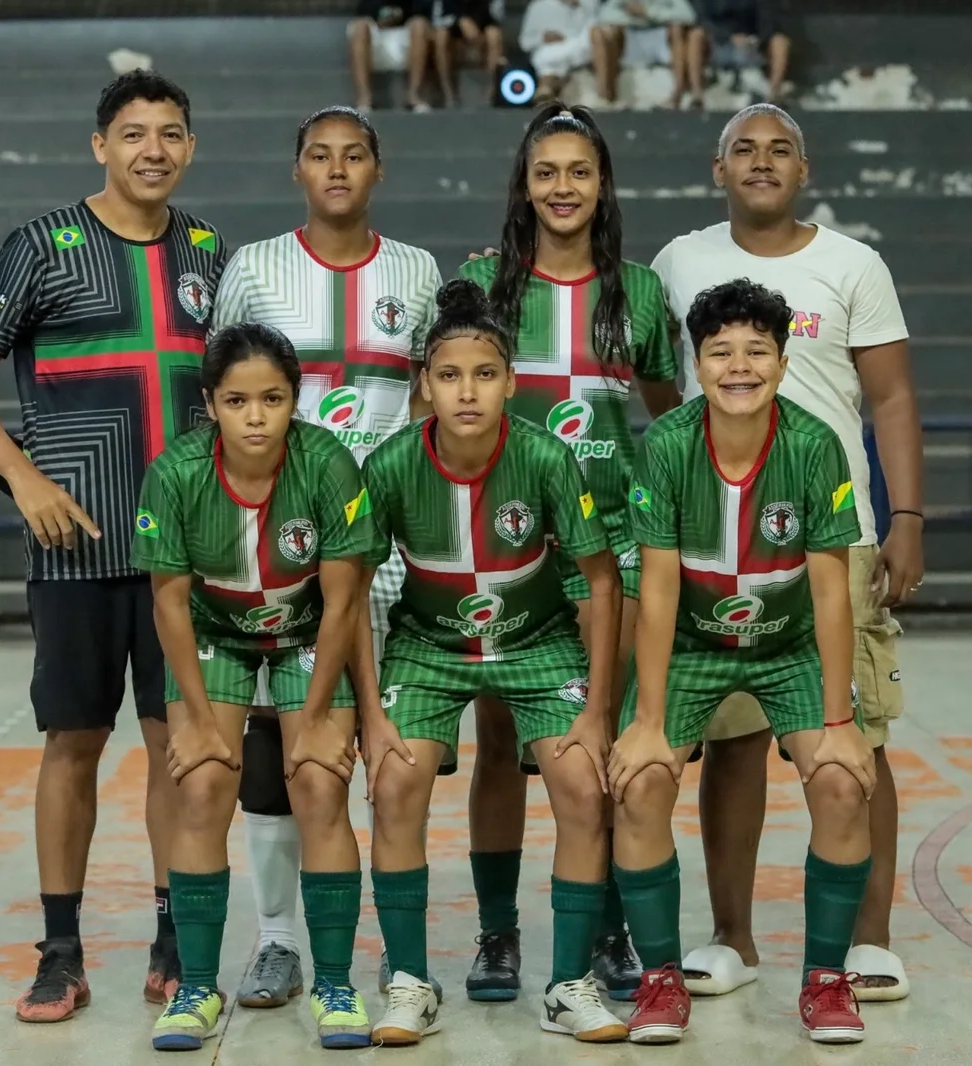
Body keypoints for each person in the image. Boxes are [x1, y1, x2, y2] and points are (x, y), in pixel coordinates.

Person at [0, 70, 226, 1024]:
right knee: (73, 742)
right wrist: (23, 479)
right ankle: (60, 951)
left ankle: (175, 939)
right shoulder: (42, 246)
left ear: (190, 148)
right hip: (77, 547)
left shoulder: (210, 252)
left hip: (182, 551)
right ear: (100, 146)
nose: (153, 149)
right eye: (134, 133)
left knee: (176, 745)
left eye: (170, 133)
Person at [650, 103, 923, 1004]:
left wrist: (908, 515)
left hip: (833, 538)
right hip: (718, 542)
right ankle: (731, 937)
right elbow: (659, 378)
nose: (761, 162)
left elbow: (891, 399)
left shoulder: (853, 264)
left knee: (855, 739)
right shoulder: (679, 262)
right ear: (717, 169)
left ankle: (868, 941)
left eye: (779, 150)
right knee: (732, 745)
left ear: (804, 170)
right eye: (744, 149)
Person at [209, 105, 444, 1011]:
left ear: (378, 169)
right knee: (284, 751)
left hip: (390, 557)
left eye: (354, 155)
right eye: (319, 155)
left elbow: (434, 399)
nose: (337, 169)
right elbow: (223, 394)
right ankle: (278, 941)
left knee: (389, 758)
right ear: (297, 170)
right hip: (281, 556)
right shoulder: (254, 268)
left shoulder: (416, 270)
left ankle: (395, 949)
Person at [356, 278, 627, 1045]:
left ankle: (569, 985)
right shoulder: (391, 465)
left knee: (582, 784)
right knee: (395, 781)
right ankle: (410, 982)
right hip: (430, 645)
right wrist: (370, 713)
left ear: (510, 382)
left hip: (537, 640)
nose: (467, 391)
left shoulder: (545, 457)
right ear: (425, 385)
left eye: (484, 374)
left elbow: (602, 581)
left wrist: (598, 710)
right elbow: (346, 593)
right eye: (449, 375)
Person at [456, 104, 681, 1005]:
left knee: (605, 742)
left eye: (578, 171)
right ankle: (498, 932)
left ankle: (608, 930)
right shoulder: (482, 282)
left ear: (602, 185)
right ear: (523, 185)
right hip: (508, 550)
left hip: (610, 552)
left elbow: (670, 414)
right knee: (499, 745)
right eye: (545, 171)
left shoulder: (641, 293)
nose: (562, 187)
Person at [609, 278, 874, 1044]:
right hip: (694, 642)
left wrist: (838, 720)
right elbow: (657, 590)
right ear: (695, 366)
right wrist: (648, 722)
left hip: (788, 643)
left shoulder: (813, 445)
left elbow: (831, 591)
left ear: (784, 364)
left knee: (841, 780)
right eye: (720, 352)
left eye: (757, 351)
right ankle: (660, 980)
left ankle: (825, 981)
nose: (739, 367)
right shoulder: (666, 446)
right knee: (641, 782)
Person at [132, 323, 374, 1052]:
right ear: (210, 403)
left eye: (273, 398)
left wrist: (323, 715)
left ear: (295, 400)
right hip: (217, 633)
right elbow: (169, 602)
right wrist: (199, 721)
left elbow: (344, 602)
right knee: (203, 783)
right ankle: (197, 988)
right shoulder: (175, 473)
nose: (256, 417)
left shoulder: (327, 464)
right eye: (237, 401)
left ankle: (335, 984)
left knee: (320, 783)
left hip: (306, 632)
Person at [591, 0, 697, 110]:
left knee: (677, 29)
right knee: (602, 32)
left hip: (661, 37)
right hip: (631, 37)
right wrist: (632, 15)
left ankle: (677, 95)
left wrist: (648, 13)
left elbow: (688, 15)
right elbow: (605, 15)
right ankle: (607, 96)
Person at [683, 0, 792, 105]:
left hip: (751, 45)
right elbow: (703, 19)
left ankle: (773, 94)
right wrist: (728, 37)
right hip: (719, 42)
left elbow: (768, 20)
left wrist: (756, 39)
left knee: (780, 41)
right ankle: (697, 94)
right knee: (696, 35)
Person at [349, 1, 435, 112]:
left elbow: (421, 10)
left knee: (420, 24)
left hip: (405, 32)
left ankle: (414, 95)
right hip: (376, 34)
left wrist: (397, 18)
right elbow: (363, 10)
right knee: (359, 26)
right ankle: (364, 98)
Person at [520, 0, 601, 104]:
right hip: (551, 54)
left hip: (581, 55)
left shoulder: (589, 4)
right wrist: (543, 37)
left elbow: (591, 39)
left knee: (548, 65)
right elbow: (525, 43)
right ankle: (547, 90)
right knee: (545, 60)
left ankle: (546, 88)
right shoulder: (538, 6)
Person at [432, 1, 506, 106]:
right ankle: (448, 92)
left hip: (482, 24)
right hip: (452, 23)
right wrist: (460, 19)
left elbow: (497, 15)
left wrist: (476, 24)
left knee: (494, 35)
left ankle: (490, 91)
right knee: (441, 36)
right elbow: (438, 17)